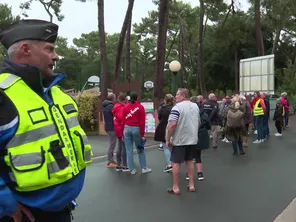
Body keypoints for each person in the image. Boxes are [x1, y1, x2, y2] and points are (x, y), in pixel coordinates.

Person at [0, 19, 93, 222]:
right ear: (26, 50)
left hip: (61, 212)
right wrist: (6, 204)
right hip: (24, 216)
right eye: (49, 49)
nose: (56, 56)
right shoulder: (3, 94)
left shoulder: (56, 92)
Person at [166, 88, 200, 195]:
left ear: (183, 96)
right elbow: (198, 122)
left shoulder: (177, 107)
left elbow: (172, 124)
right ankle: (191, 185)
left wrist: (168, 138)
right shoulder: (195, 106)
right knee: (190, 161)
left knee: (176, 163)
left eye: (177, 95)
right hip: (192, 139)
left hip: (179, 140)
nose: (175, 97)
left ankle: (175, 187)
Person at [123, 91, 151, 175]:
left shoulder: (125, 107)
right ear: (137, 97)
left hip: (127, 128)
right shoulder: (140, 107)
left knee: (129, 150)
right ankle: (143, 168)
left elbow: (123, 119)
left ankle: (132, 169)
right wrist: (142, 134)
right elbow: (142, 122)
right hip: (136, 129)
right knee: (140, 149)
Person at [154, 94, 175, 173]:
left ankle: (170, 164)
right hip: (173, 127)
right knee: (173, 146)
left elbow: (159, 117)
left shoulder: (161, 109)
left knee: (165, 147)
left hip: (163, 127)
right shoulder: (175, 108)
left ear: (165, 100)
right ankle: (175, 163)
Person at [112, 92, 129, 172]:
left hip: (117, 128)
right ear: (125, 99)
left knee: (119, 146)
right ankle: (124, 165)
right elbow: (122, 119)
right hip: (122, 128)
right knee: (123, 147)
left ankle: (119, 164)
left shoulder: (116, 106)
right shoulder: (122, 108)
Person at [102, 93, 117, 168]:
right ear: (113, 98)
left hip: (107, 127)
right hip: (112, 127)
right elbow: (115, 116)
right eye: (115, 97)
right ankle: (110, 160)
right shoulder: (111, 107)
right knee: (112, 144)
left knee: (111, 143)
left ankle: (110, 160)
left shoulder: (104, 106)